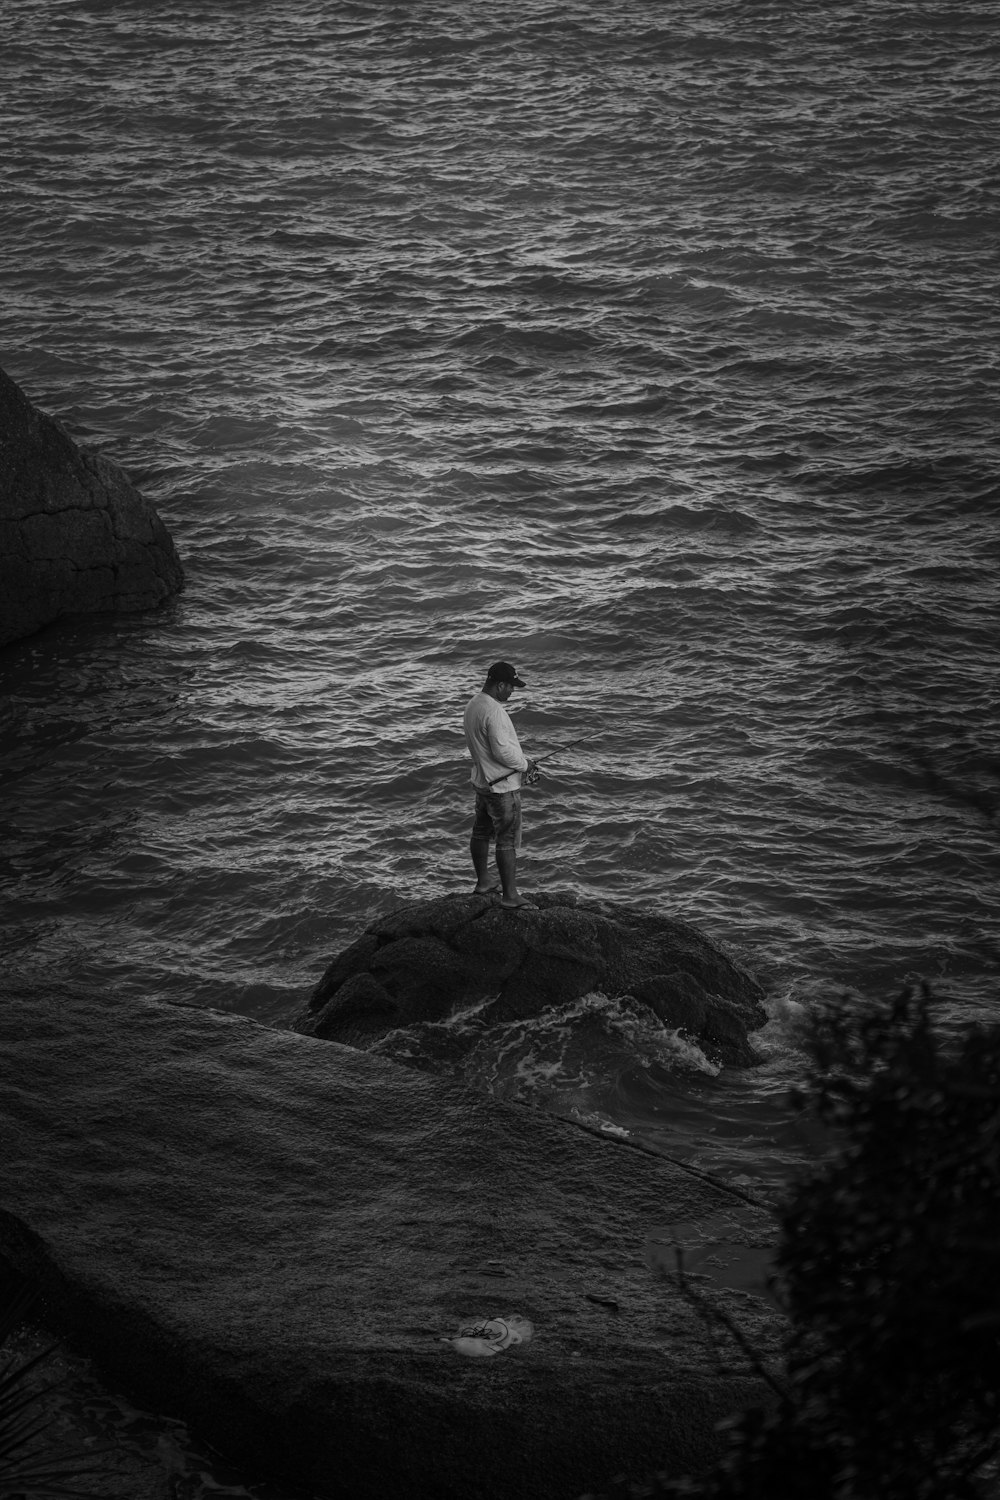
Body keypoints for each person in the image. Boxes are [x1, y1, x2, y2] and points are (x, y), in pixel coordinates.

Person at [463, 661, 538, 910]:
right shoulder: (493, 710)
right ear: (500, 684)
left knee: (481, 832)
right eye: (511, 687)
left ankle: (484, 882)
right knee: (506, 841)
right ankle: (510, 896)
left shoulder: (474, 703)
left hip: (482, 782)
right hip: (501, 788)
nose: (512, 692)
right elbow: (502, 752)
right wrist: (526, 765)